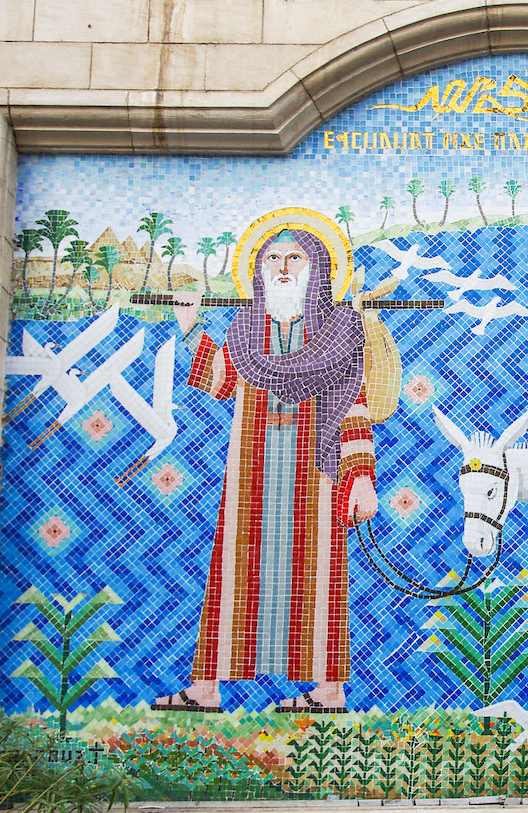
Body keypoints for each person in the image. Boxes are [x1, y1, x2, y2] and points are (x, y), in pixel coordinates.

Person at [152, 227, 377, 714]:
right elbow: (222, 382)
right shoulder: (246, 330)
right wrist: (190, 329)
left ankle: (328, 692)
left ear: (317, 268)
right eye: (272, 258)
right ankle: (206, 689)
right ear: (257, 270)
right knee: (234, 572)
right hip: (253, 473)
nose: (282, 267)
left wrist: (360, 477)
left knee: (320, 576)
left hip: (316, 476)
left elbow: (353, 406)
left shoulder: (339, 333)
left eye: (294, 258)